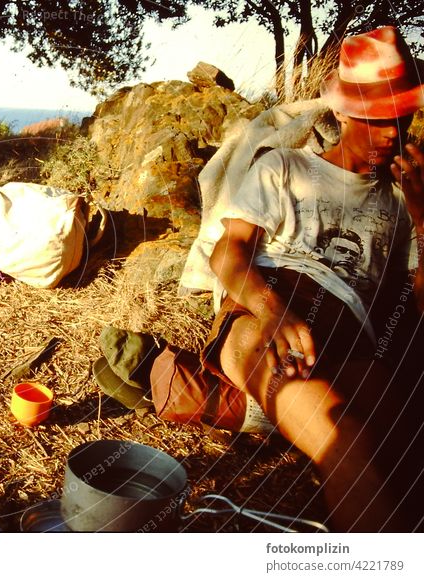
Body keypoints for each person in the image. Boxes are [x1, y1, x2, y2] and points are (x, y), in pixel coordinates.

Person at [99, 26, 424, 532]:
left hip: (354, 341)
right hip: (266, 311)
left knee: (407, 439)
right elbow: (230, 251)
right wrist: (271, 309)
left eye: (401, 119)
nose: (391, 134)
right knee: (343, 437)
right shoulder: (285, 167)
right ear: (340, 110)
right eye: (377, 120)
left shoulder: (404, 199)